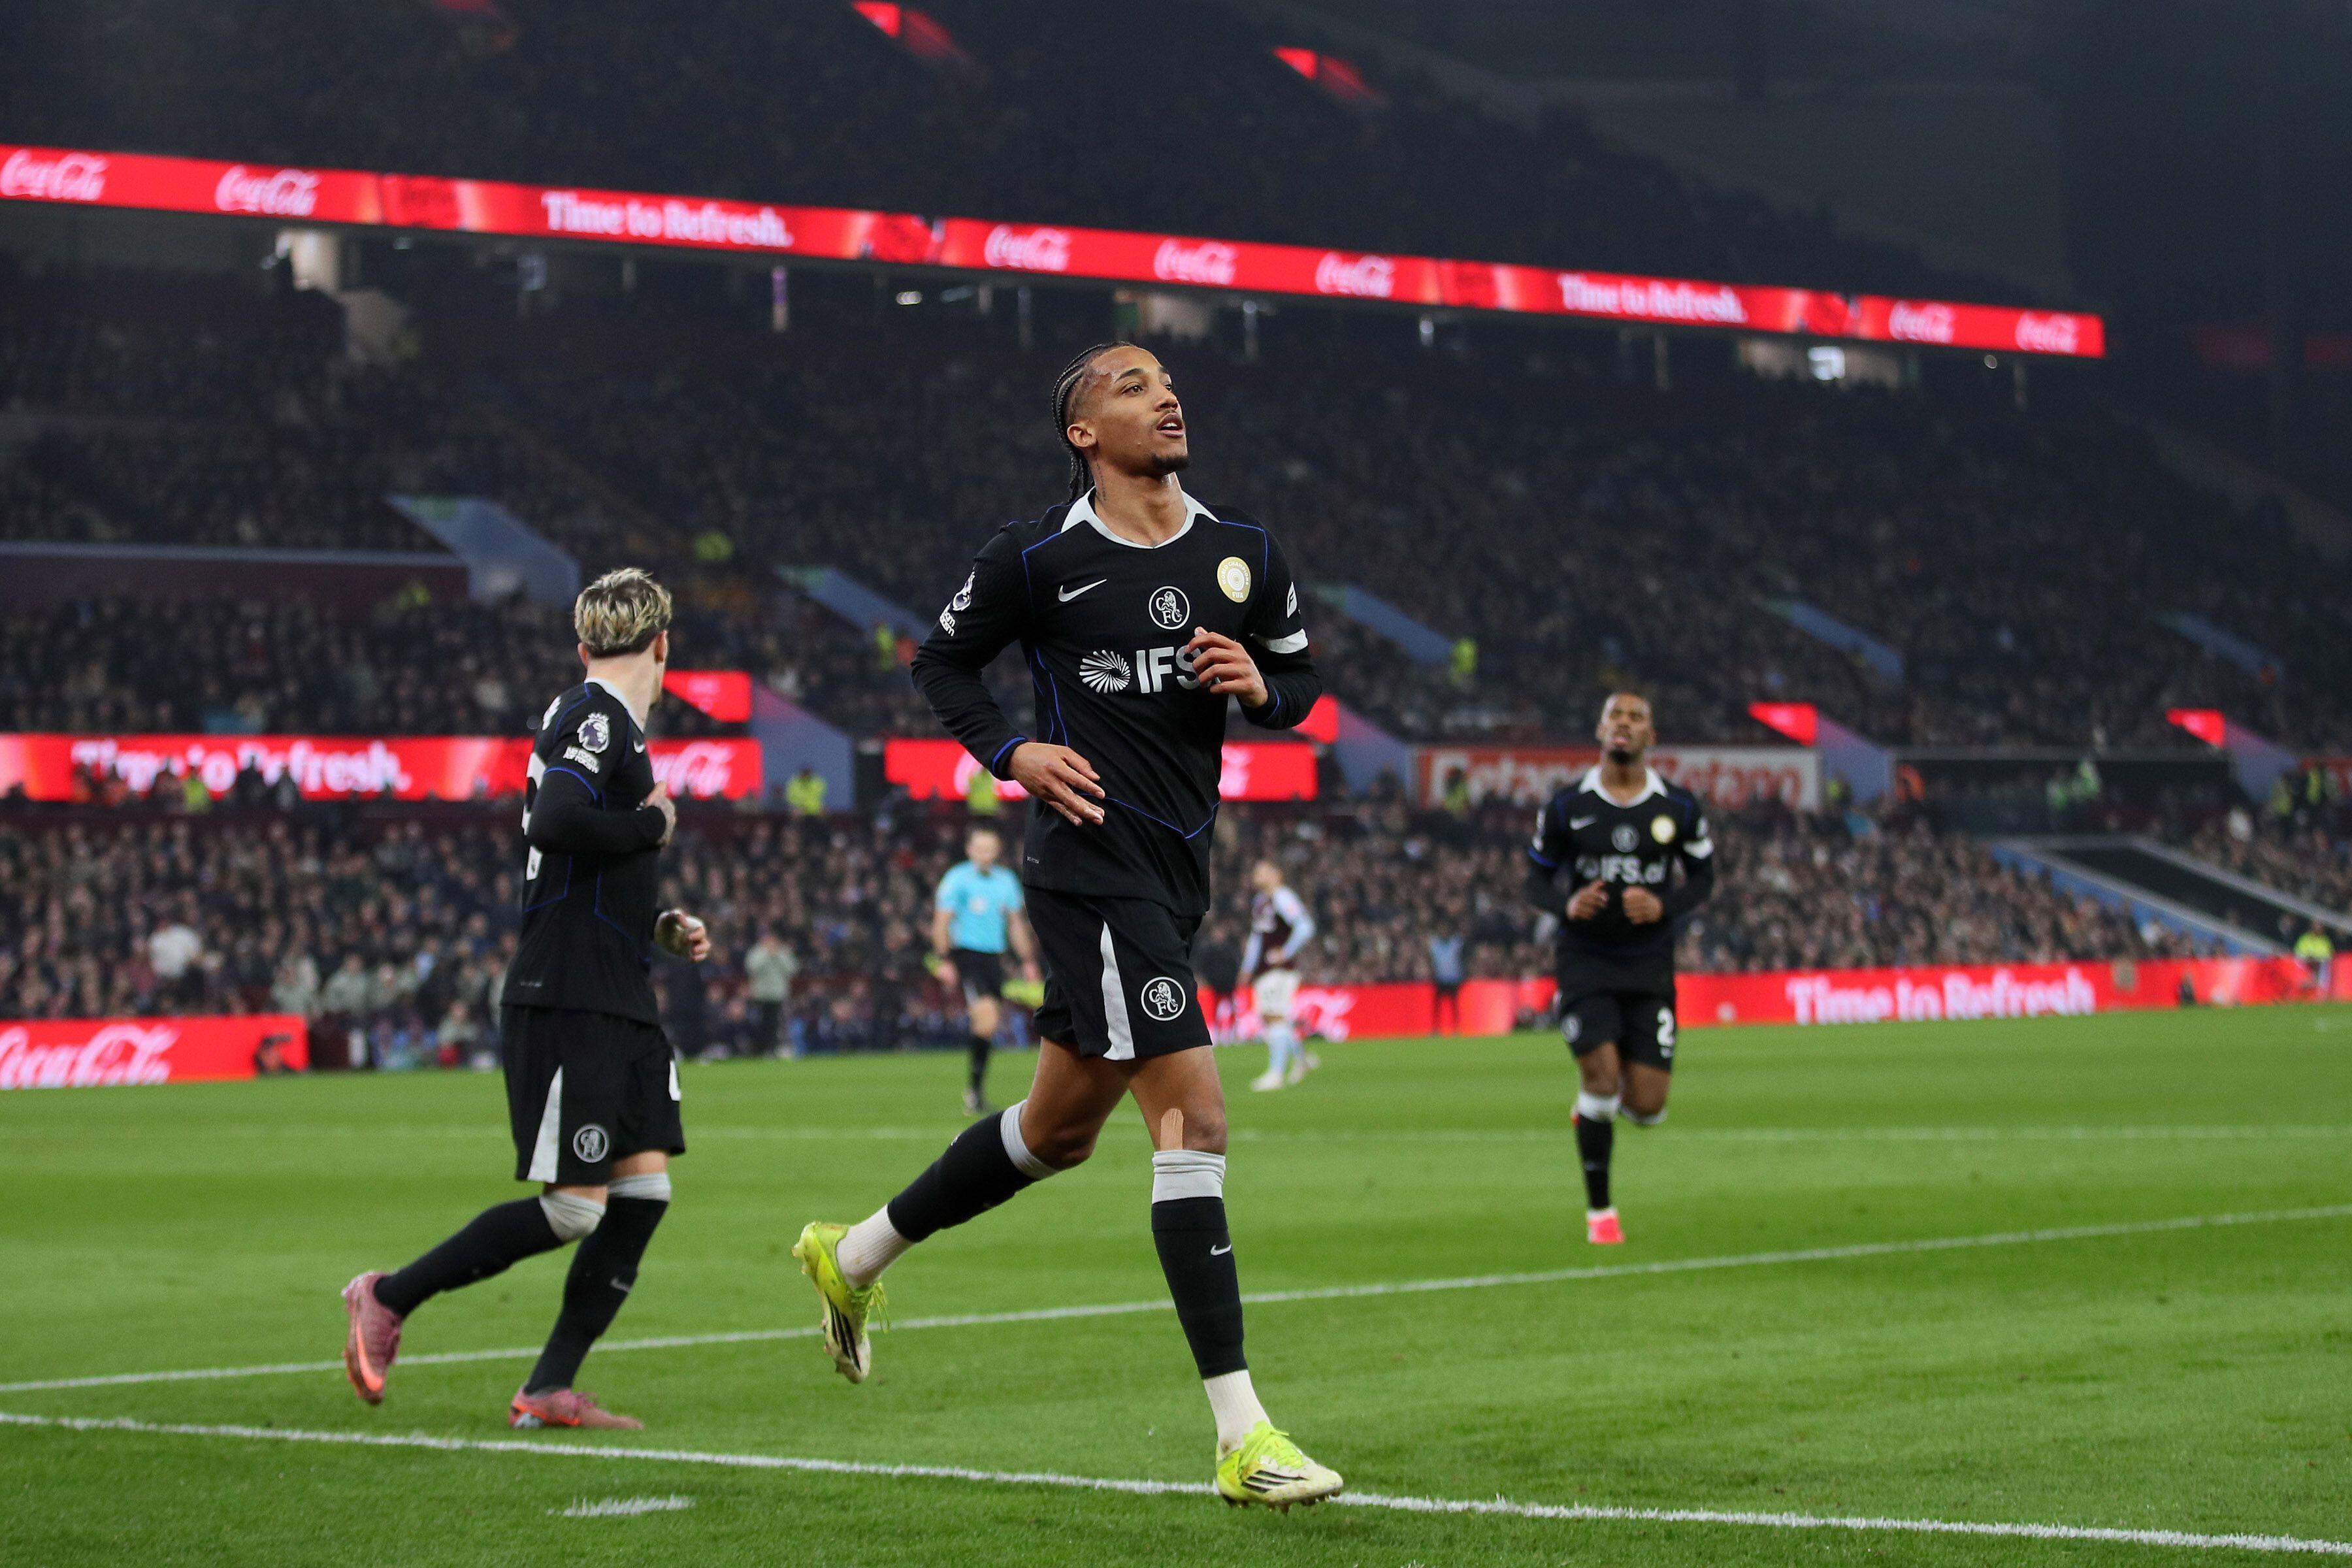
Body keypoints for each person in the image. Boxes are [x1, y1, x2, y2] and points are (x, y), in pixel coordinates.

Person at [791, 342, 1342, 1509]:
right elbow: (941, 662)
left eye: (1167, 379)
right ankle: (1242, 1436)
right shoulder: (1038, 555)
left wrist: (1259, 686)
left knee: (1058, 1132)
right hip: (1089, 868)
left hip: (1178, 872)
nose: (1166, 394)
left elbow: (1300, 688)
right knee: (1195, 1120)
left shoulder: (1244, 552)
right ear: (1083, 433)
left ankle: (854, 1254)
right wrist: (1014, 752)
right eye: (1132, 384)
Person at [339, 568, 712, 1430]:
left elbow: (579, 866)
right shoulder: (593, 717)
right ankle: (388, 1296)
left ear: (585, 646)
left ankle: (547, 1389)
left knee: (643, 1194)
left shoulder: (613, 728)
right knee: (575, 1207)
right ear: (664, 644)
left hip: (620, 989)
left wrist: (657, 923)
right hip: (571, 993)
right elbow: (555, 820)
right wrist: (654, 825)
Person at [1524, 692, 1715, 1246]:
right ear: (1600, 729)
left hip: (1649, 965)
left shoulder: (1678, 807)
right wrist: (1566, 905)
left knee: (1647, 1107)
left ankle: (1591, 1113)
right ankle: (1601, 1215)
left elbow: (1704, 877)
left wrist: (1665, 905)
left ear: (1651, 736)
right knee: (1602, 1080)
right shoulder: (1567, 805)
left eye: (1636, 718)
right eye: (1616, 716)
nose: (1624, 724)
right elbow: (1535, 879)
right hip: (1585, 960)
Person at [932, 825, 1039, 1114]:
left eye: (990, 849)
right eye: (980, 849)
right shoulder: (957, 879)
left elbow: (1015, 924)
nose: (985, 854)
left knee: (987, 1026)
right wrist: (943, 959)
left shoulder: (1006, 881)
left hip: (994, 959)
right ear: (969, 850)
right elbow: (942, 921)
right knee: (987, 1020)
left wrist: (1028, 961)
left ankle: (975, 1093)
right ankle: (974, 1093)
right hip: (967, 956)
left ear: (997, 851)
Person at [1241, 858, 1318, 1091]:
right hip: (1265, 970)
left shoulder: (1283, 897)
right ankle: (1302, 1059)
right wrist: (1247, 967)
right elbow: (1257, 938)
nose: (1257, 874)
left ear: (1277, 874)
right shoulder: (1260, 901)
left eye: (1263, 871)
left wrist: (1286, 952)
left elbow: (1305, 927)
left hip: (1280, 970)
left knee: (1274, 1017)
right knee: (1273, 1018)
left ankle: (1276, 1074)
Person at [743, 928, 801, 1056]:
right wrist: (767, 954)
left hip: (778, 994)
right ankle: (760, 1049)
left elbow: (792, 969)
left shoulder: (783, 952)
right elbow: (752, 968)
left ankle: (775, 1049)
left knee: (777, 1024)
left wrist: (778, 955)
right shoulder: (757, 952)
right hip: (761, 995)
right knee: (761, 1024)